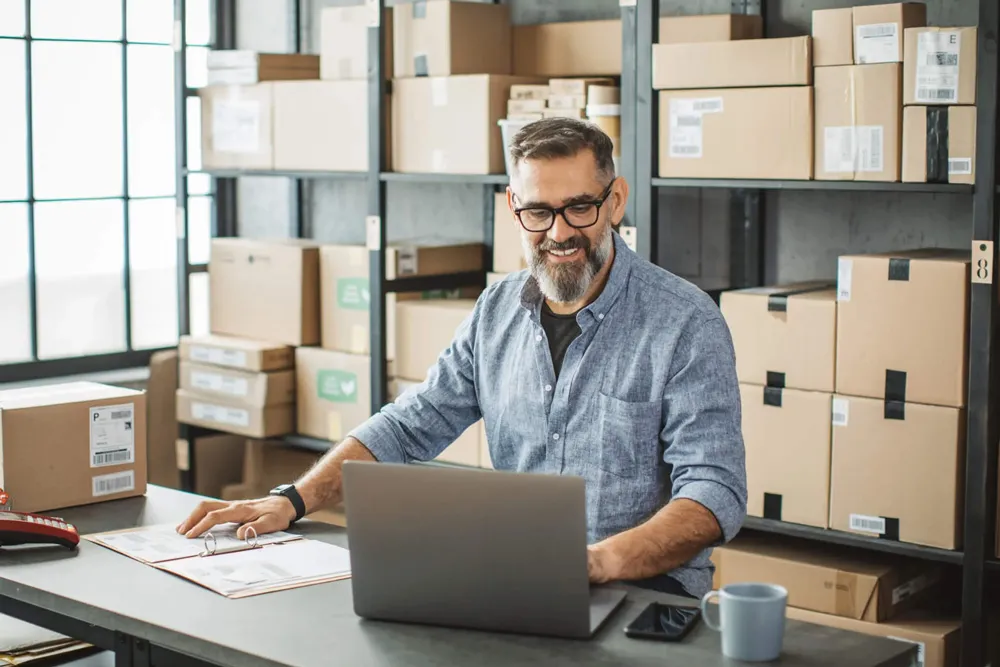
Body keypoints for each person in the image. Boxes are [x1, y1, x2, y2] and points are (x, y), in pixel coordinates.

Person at [176, 118, 747, 599]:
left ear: (615, 200)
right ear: (513, 207)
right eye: (538, 212)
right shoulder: (497, 310)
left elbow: (713, 494)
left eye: (579, 209)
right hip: (518, 586)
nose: (559, 233)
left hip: (643, 595)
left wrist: (599, 562)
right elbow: (408, 426)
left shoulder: (685, 323)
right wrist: (292, 501)